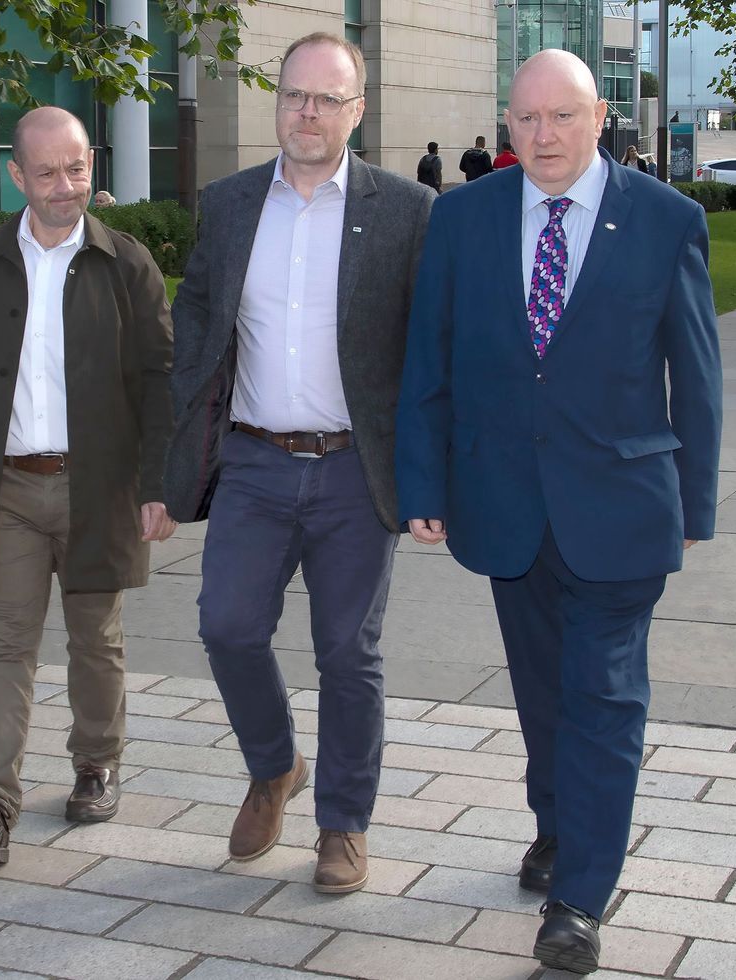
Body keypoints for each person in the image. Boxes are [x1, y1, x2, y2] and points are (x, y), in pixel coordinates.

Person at [395, 49, 721, 975]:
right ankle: (557, 829)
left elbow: (695, 377)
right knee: (544, 696)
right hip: (504, 508)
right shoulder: (463, 217)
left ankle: (579, 896)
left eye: (563, 117)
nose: (542, 136)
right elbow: (432, 359)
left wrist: (695, 499)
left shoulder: (665, 221)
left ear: (598, 120)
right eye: (526, 119)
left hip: (621, 510)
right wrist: (422, 485)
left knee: (604, 701)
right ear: (508, 124)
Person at [163, 32, 434, 895]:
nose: (306, 112)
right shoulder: (230, 203)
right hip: (254, 461)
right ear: (277, 103)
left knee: (347, 653)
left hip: (356, 471)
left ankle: (344, 824)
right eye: (293, 96)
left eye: (327, 98)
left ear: (358, 111)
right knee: (227, 626)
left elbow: (431, 356)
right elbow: (195, 337)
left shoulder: (405, 211)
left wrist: (431, 477)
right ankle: (275, 765)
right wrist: (162, 473)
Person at [0, 106, 176, 865]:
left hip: (97, 486)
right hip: (5, 488)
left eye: (77, 168)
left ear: (91, 165)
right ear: (16, 176)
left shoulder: (126, 262)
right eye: (47, 172)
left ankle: (96, 763)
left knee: (93, 636)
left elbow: (161, 382)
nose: (65, 185)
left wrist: (159, 485)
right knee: (5, 639)